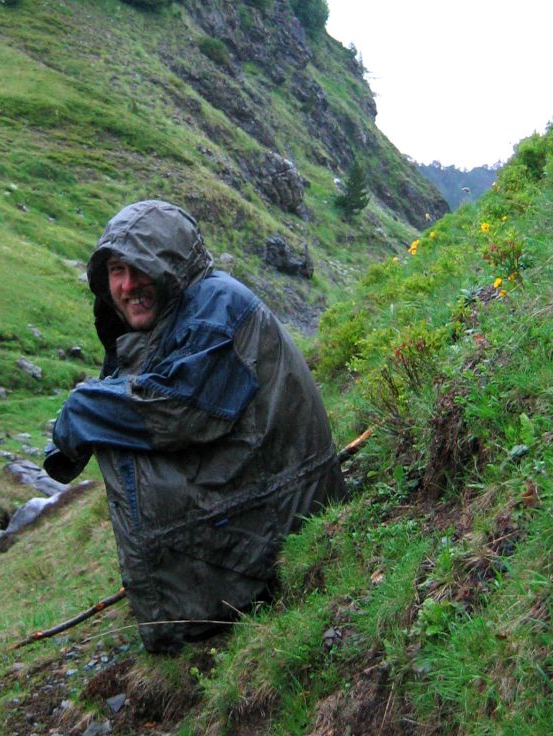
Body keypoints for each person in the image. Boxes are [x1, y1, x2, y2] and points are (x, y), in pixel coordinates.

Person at [44, 199, 347, 651]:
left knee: (115, 431)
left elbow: (181, 413)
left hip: (285, 510)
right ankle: (181, 602)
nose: (127, 286)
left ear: (171, 267)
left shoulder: (217, 307)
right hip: (267, 490)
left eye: (140, 268)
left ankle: (189, 613)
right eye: (115, 272)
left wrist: (82, 410)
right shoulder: (185, 307)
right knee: (112, 418)